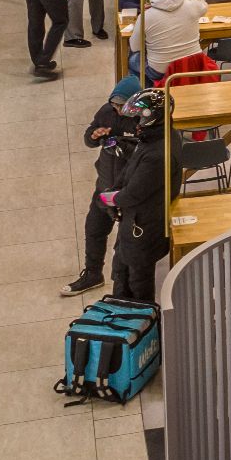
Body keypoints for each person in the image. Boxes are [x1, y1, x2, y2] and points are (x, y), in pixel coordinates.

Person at [64, 76, 141, 296]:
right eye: (114, 105)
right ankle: (92, 274)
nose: (116, 111)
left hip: (128, 192)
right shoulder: (106, 112)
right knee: (94, 229)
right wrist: (94, 136)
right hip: (105, 186)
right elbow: (89, 136)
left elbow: (145, 154)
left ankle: (123, 288)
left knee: (124, 243)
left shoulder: (141, 121)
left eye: (121, 106)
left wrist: (124, 144)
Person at [103, 88, 173, 303]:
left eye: (138, 118)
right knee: (121, 275)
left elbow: (134, 193)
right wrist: (113, 192)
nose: (135, 124)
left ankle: (142, 329)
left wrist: (109, 199)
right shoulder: (152, 139)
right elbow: (130, 170)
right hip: (133, 225)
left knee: (139, 286)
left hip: (143, 228)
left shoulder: (157, 152)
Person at [127, 0, 207, 82]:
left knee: (133, 58)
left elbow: (135, 46)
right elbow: (204, 5)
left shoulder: (145, 16)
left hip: (161, 71)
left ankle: (148, 91)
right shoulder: (193, 5)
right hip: (193, 65)